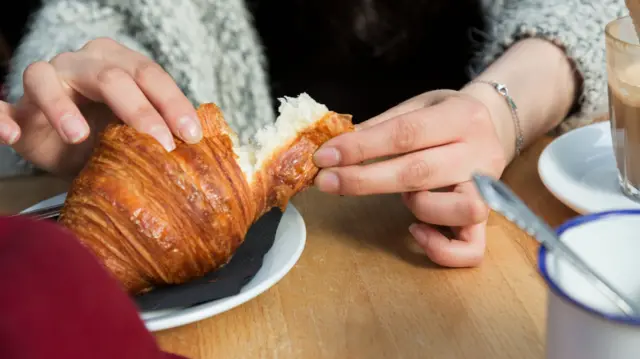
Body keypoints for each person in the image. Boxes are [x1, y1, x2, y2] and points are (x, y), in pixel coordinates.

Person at [0, 0, 626, 266]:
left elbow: (588, 12)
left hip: (446, 242)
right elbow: (93, 20)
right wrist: (92, 126)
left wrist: (501, 110)